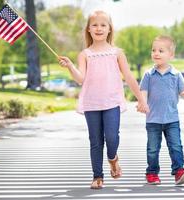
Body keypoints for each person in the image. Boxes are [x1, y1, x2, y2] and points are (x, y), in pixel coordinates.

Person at [58, 10, 149, 189]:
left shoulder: (117, 53)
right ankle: (97, 176)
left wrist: (141, 99)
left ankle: (113, 158)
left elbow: (129, 77)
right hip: (91, 103)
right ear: (88, 29)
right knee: (95, 140)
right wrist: (69, 66)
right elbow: (80, 79)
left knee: (112, 137)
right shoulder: (84, 54)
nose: (98, 28)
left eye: (103, 25)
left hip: (112, 102)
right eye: (94, 25)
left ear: (109, 29)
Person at [140, 35, 184, 185]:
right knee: (152, 148)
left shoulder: (176, 75)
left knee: (176, 146)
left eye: (161, 51)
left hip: (172, 119)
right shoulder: (148, 75)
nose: (156, 53)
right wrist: (142, 103)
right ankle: (151, 172)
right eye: (153, 50)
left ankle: (178, 171)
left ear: (171, 55)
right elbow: (143, 92)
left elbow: (183, 95)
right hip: (153, 120)